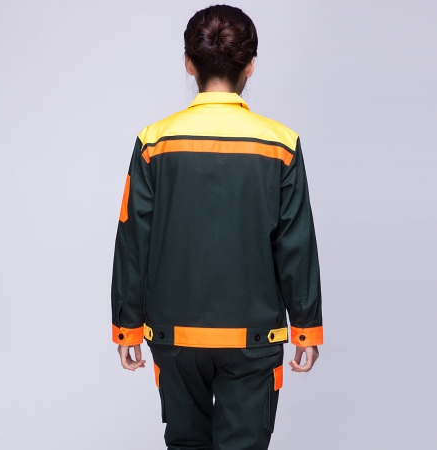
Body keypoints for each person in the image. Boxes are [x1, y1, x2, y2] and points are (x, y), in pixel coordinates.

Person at [110, 4, 323, 449]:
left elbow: (134, 237)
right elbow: (296, 242)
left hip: (174, 336)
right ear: (250, 65)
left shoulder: (154, 141)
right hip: (253, 338)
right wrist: (306, 328)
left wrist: (126, 325)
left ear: (189, 63)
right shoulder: (281, 144)